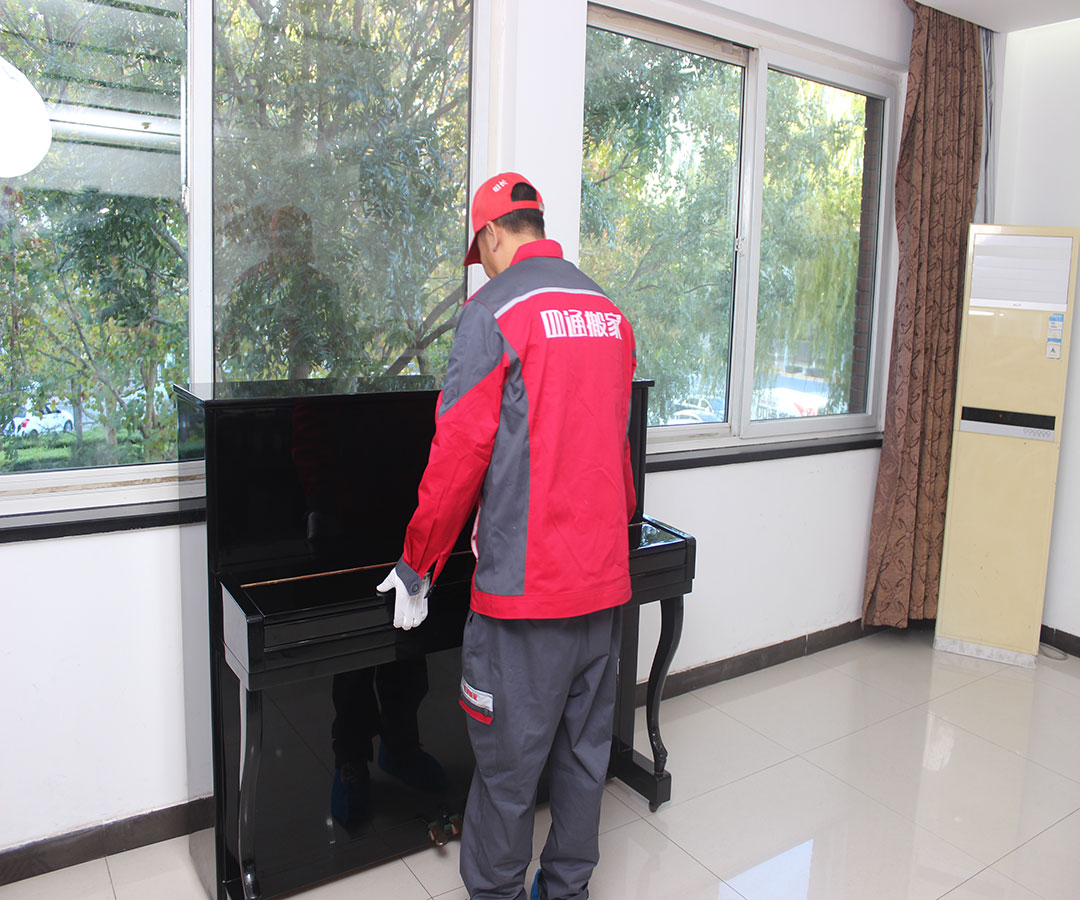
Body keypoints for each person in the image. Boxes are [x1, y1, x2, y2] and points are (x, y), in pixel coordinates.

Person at [378, 172, 637, 900]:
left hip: (526, 601)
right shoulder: (609, 314)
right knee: (585, 757)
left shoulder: (492, 312)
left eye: (480, 251)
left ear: (492, 234)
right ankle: (568, 890)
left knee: (506, 770)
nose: (483, 266)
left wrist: (417, 565)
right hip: (602, 584)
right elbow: (617, 455)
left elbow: (458, 456)